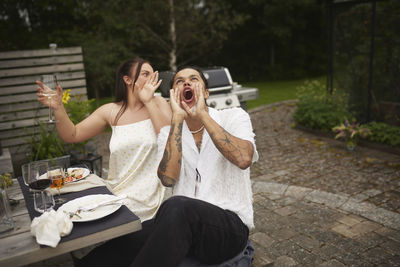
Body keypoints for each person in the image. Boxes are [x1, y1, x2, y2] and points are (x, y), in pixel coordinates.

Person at [36, 57, 171, 221]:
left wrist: (149, 101)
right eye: (145, 74)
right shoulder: (110, 111)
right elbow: (73, 134)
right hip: (118, 191)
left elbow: (168, 138)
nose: (151, 79)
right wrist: (58, 107)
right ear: (127, 80)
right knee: (67, 213)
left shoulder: (159, 103)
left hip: (152, 196)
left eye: (153, 74)